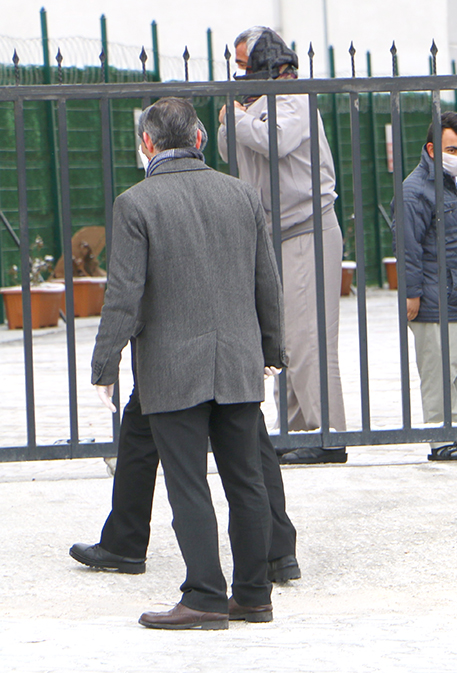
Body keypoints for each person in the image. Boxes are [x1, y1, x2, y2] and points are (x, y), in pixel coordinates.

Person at [90, 97, 284, 629]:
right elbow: (266, 281)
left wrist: (105, 364)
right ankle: (253, 594)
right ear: (199, 140)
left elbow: (124, 294)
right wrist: (272, 349)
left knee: (188, 482)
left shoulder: (136, 203)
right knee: (246, 481)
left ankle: (203, 594)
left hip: (173, 367)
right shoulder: (241, 194)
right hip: (240, 362)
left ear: (147, 144)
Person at [218, 26, 347, 465]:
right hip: (272, 236)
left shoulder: (295, 99)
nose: (238, 73)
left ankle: (328, 434)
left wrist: (236, 117)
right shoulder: (253, 106)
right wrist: (235, 119)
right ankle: (295, 431)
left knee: (310, 338)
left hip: (309, 229)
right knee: (282, 340)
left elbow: (272, 142)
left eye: (242, 64)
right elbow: (228, 151)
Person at [69, 385, 301, 584]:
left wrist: (105, 361)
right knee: (245, 424)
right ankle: (277, 549)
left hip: (171, 346)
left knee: (144, 411)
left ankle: (126, 541)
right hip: (233, 343)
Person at [396, 111, 457, 461]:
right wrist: (412, 293)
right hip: (436, 300)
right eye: (454, 149)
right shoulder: (413, 190)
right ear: (433, 149)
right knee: (439, 373)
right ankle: (442, 439)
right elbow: (407, 247)